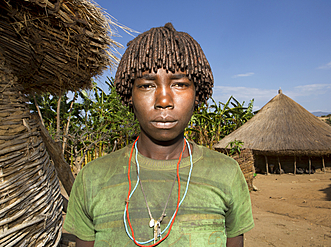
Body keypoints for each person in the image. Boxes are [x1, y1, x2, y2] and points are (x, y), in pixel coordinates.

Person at [64, 23, 254, 247]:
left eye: (180, 84)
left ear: (197, 94)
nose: (164, 100)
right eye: (146, 86)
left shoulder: (226, 174)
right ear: (129, 95)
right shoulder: (92, 179)